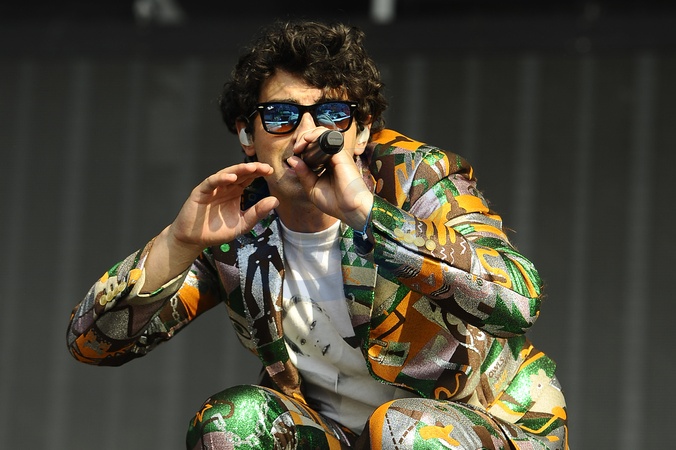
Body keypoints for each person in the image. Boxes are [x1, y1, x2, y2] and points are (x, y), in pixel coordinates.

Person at [67, 20, 569, 449]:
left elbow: (519, 299)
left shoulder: (415, 177)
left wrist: (369, 215)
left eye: (331, 115)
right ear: (247, 134)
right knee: (232, 424)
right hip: (334, 435)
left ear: (361, 131)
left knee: (406, 431)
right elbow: (92, 344)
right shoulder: (237, 219)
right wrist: (179, 243)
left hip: (486, 423)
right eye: (281, 116)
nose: (307, 133)